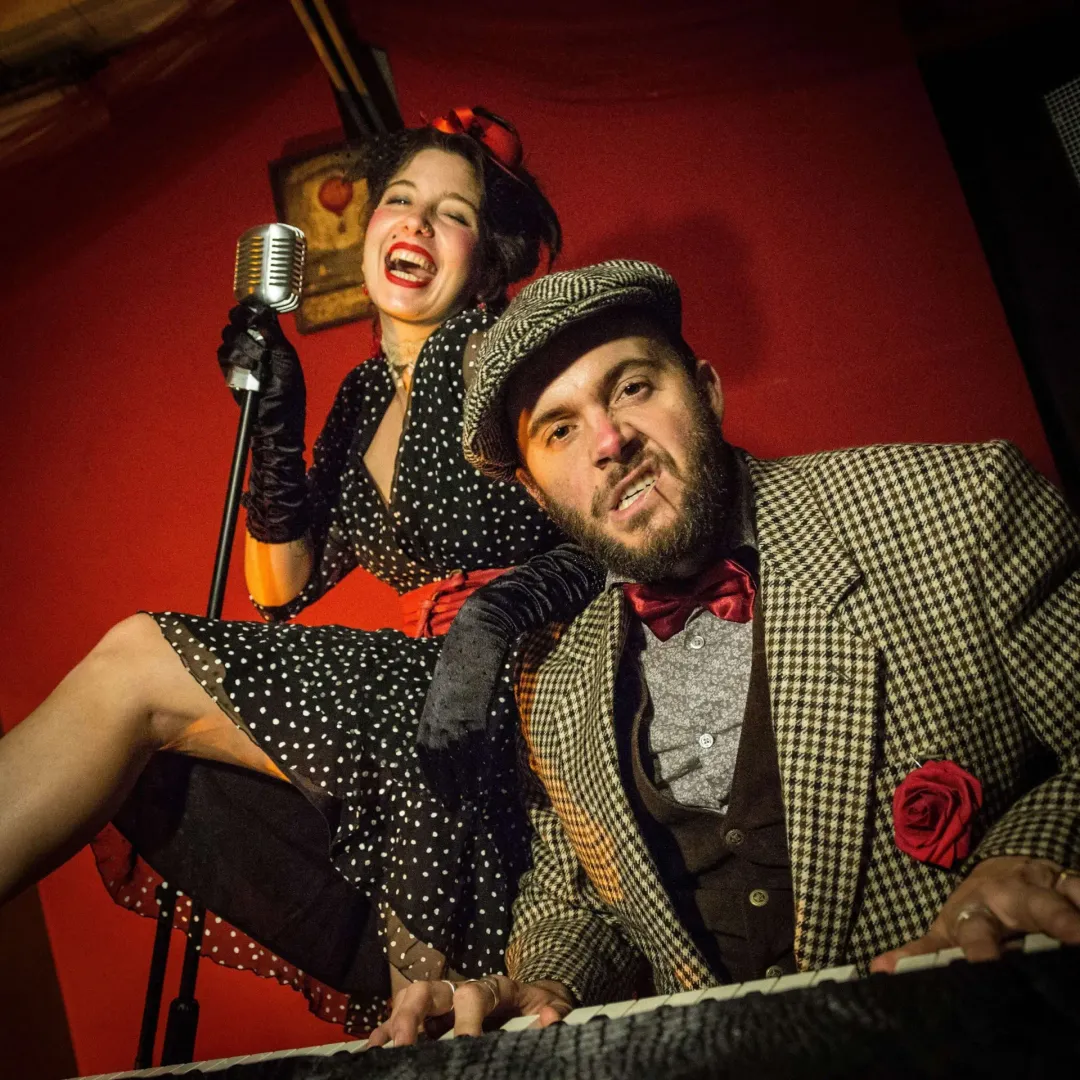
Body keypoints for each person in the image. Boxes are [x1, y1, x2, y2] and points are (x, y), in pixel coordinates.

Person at [369, 258, 1080, 1046]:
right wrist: (543, 981)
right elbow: (582, 906)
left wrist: (1026, 857)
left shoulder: (959, 508)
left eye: (632, 387)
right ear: (536, 491)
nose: (609, 441)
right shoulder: (555, 680)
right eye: (559, 429)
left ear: (706, 391)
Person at [0, 109, 602, 1032]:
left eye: (454, 213)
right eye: (400, 199)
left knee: (136, 660)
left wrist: (501, 615)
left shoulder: (504, 357)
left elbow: (602, 531)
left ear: (488, 263)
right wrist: (276, 429)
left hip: (516, 694)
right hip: (422, 703)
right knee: (440, 1019)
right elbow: (280, 588)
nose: (417, 221)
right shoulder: (363, 397)